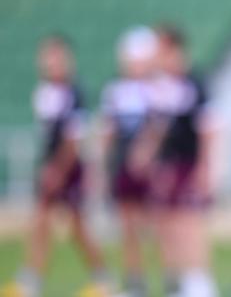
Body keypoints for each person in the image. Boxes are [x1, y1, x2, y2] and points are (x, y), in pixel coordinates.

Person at [1, 35, 109, 297]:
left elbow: (74, 138)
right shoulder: (44, 91)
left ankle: (102, 279)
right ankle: (31, 280)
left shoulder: (75, 92)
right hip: (51, 166)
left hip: (68, 168)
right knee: (40, 222)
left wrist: (58, 170)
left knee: (77, 226)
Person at [142, 25, 217, 297]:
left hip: (189, 163)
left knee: (189, 221)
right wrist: (151, 157)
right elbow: (159, 127)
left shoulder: (194, 82)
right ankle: (177, 279)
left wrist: (205, 167)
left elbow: (208, 129)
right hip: (168, 166)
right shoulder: (162, 86)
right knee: (165, 221)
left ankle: (200, 281)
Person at [99, 26, 157, 297]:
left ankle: (173, 277)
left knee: (158, 224)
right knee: (128, 225)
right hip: (124, 166)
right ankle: (135, 280)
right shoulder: (116, 89)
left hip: (152, 169)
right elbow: (108, 130)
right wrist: (102, 165)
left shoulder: (157, 89)